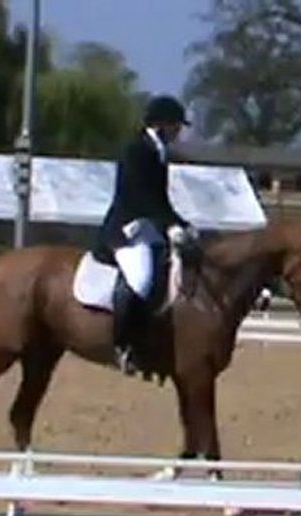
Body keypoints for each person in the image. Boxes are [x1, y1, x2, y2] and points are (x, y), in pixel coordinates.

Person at [94, 94, 199, 375]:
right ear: (162, 124)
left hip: (149, 227)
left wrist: (181, 224)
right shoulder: (136, 150)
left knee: (175, 269)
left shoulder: (159, 151)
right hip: (126, 230)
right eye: (176, 125)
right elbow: (139, 196)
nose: (178, 131)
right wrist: (169, 225)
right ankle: (123, 345)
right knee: (140, 281)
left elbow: (160, 200)